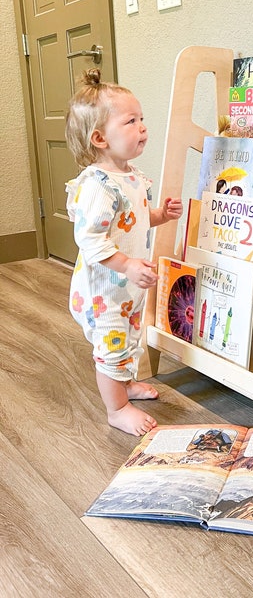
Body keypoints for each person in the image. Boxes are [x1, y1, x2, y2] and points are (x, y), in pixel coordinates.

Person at [65, 68, 183, 436]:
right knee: (112, 344)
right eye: (131, 121)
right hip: (104, 291)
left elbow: (134, 220)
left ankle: (126, 384)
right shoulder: (98, 185)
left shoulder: (130, 175)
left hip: (127, 286)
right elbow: (91, 240)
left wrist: (160, 215)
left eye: (142, 119)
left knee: (130, 337)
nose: (142, 127)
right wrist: (128, 264)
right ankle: (116, 408)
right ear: (100, 138)